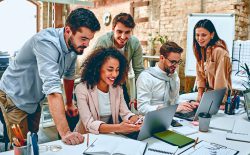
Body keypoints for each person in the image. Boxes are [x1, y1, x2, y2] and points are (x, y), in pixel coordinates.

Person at [0, 8, 100, 145]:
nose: (87, 45)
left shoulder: (73, 48)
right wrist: (65, 133)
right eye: (83, 39)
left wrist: (69, 103)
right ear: (68, 31)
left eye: (89, 39)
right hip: (14, 95)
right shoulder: (46, 43)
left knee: (33, 139)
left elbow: (69, 75)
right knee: (22, 146)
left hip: (34, 99)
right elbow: (52, 89)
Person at [74, 47, 141, 134]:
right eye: (110, 69)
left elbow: (125, 113)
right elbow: (89, 124)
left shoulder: (117, 88)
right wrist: (118, 127)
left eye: (117, 70)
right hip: (86, 137)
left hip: (110, 136)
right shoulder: (81, 89)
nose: (114, 74)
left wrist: (137, 119)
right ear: (98, 68)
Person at [93, 13, 144, 106]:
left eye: (127, 32)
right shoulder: (103, 42)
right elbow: (94, 69)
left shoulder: (135, 43)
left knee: (126, 114)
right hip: (101, 84)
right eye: (119, 32)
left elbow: (139, 71)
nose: (123, 37)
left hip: (120, 83)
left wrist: (140, 97)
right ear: (113, 29)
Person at [137, 41, 198, 115]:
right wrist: (171, 109)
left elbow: (175, 100)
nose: (175, 66)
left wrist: (188, 104)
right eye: (172, 62)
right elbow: (142, 108)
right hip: (153, 118)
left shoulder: (174, 75)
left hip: (172, 116)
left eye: (178, 62)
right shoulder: (146, 77)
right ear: (162, 58)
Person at [193, 19, 232, 103]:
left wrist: (218, 103)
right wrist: (199, 95)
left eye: (203, 35)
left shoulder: (220, 52)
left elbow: (220, 81)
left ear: (212, 35)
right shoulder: (200, 50)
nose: (199, 38)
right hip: (206, 95)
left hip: (219, 98)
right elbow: (200, 76)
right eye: (197, 35)